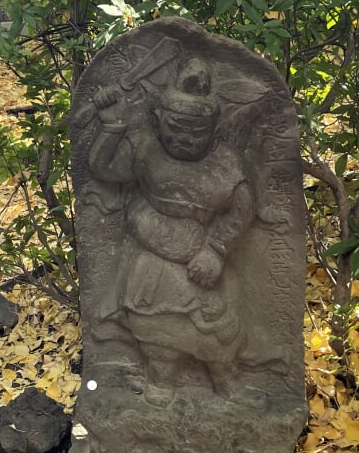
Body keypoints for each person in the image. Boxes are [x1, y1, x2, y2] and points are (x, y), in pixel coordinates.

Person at [86, 53, 254, 401]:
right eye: (175, 129)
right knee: (152, 324)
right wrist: (112, 126)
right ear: (158, 119)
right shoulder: (146, 150)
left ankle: (225, 379)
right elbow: (104, 170)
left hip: (201, 258)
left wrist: (216, 249)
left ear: (214, 128)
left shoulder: (225, 164)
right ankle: (160, 381)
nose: (184, 140)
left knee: (218, 325)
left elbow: (241, 210)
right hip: (153, 258)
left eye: (196, 132)